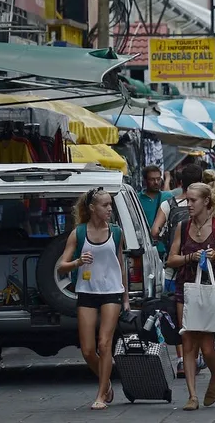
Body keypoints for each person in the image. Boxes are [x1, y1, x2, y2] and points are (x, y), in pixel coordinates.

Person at [166, 182, 215, 411]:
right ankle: (192, 396)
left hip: (212, 289)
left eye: (193, 200)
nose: (188, 204)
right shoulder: (182, 226)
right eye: (187, 200)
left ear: (206, 202)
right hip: (186, 289)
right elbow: (171, 259)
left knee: (208, 348)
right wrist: (189, 258)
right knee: (188, 342)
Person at [57, 188, 128, 410]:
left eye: (110, 205)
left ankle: (100, 395)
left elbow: (121, 265)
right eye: (105, 205)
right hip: (87, 291)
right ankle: (106, 382)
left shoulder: (115, 232)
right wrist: (78, 262)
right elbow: (61, 266)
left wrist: (125, 297)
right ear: (92, 208)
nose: (109, 209)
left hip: (111, 292)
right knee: (88, 349)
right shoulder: (78, 233)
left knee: (104, 344)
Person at [151, 164, 203, 377]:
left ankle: (182, 359)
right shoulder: (205, 204)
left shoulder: (168, 204)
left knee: (177, 311)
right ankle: (197, 355)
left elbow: (155, 230)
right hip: (201, 267)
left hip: (174, 266)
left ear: (179, 182)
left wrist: (166, 240)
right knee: (199, 311)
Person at [139, 165, 173, 230]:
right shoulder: (137, 199)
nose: (156, 182)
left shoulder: (168, 197)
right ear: (145, 180)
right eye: (152, 179)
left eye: (158, 179)